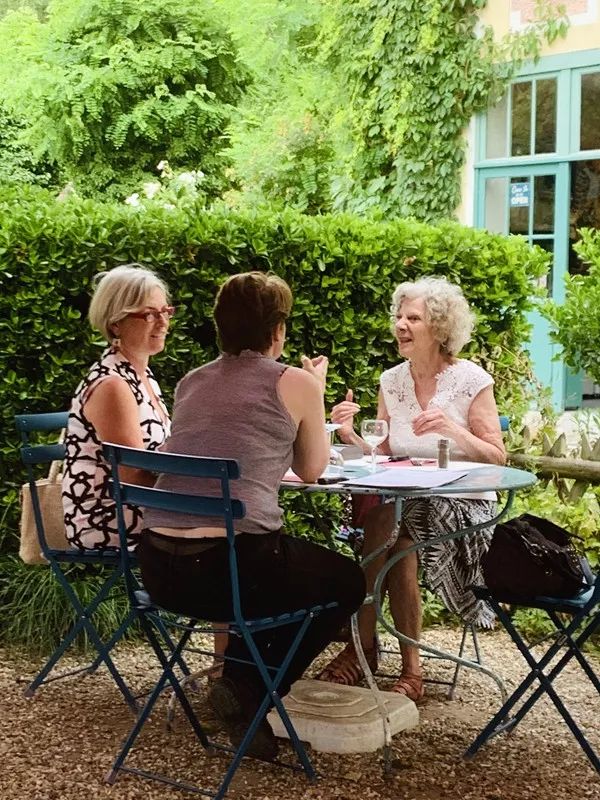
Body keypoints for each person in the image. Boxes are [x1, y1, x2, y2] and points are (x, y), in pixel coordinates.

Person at [138, 271, 366, 761]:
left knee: (278, 570)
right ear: (277, 330)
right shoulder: (296, 381)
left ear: (219, 328)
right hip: (230, 571)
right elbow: (310, 470)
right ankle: (245, 689)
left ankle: (245, 698)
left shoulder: (190, 381)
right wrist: (315, 392)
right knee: (345, 582)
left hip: (158, 568)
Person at [317, 276, 506, 701]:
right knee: (395, 536)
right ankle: (408, 669)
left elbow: (497, 457)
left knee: (388, 529)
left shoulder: (470, 379)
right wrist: (349, 435)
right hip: (406, 503)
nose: (401, 324)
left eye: (413, 318)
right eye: (398, 316)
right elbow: (383, 455)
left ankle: (362, 649)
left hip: (465, 504)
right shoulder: (392, 380)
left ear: (439, 328)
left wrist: (451, 429)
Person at [62, 264, 172, 550]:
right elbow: (132, 477)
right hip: (108, 518)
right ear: (115, 323)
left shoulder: (142, 376)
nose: (162, 323)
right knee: (226, 527)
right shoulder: (113, 384)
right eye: (149, 314)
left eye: (165, 311)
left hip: (141, 508)